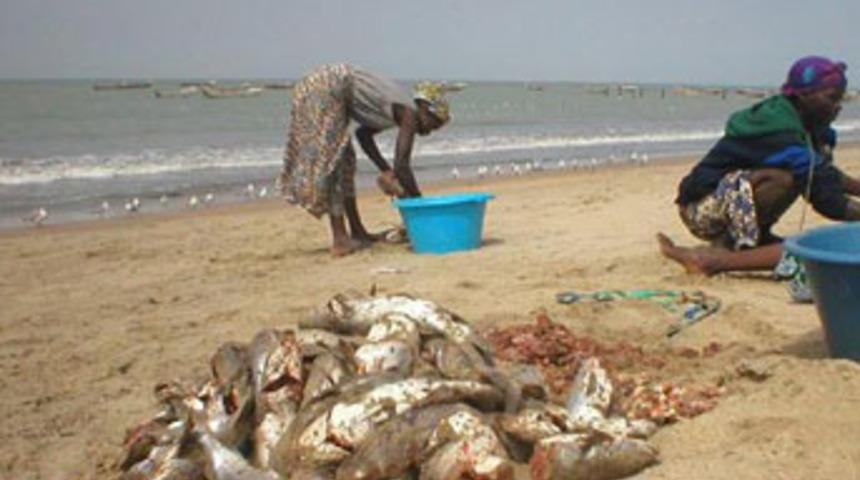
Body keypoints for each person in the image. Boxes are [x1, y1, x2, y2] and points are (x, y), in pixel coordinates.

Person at [658, 56, 860, 275]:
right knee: (785, 179)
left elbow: (825, 175)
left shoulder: (812, 127)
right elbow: (826, 197)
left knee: (800, 176)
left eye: (841, 100)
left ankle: (747, 242)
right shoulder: (778, 130)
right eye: (831, 98)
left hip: (733, 199)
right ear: (803, 95)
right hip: (702, 208)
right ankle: (719, 254)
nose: (838, 107)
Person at [281, 63, 450, 256]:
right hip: (326, 87)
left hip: (324, 88)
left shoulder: (399, 111)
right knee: (335, 161)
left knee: (346, 160)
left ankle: (357, 231)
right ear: (425, 109)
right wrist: (420, 203)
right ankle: (340, 239)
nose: (428, 132)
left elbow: (363, 136)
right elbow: (402, 165)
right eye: (433, 124)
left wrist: (385, 170)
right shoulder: (409, 114)